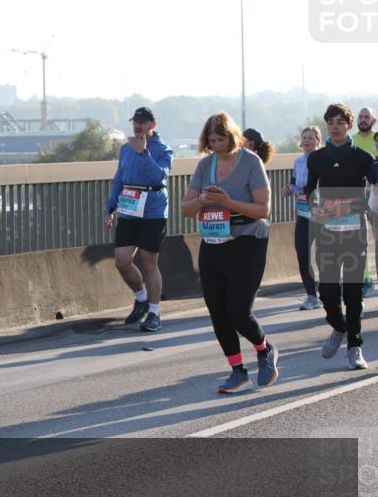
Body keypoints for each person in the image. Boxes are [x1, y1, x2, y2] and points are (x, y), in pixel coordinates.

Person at [181, 112, 276, 393]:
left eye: (221, 139)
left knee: (238, 310)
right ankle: (237, 370)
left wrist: (229, 202)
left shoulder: (251, 162)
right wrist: (201, 199)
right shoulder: (204, 165)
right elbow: (185, 209)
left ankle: (264, 348)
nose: (216, 144)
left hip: (247, 241)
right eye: (211, 140)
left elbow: (263, 209)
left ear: (232, 137)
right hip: (212, 243)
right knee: (217, 312)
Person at [305, 103, 378, 370]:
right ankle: (339, 327)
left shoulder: (362, 158)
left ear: (349, 126)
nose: (335, 127)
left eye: (340, 122)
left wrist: (350, 207)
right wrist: (317, 210)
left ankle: (355, 346)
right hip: (327, 235)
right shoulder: (317, 158)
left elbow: (374, 188)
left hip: (355, 234)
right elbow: (310, 192)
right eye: (330, 122)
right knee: (327, 293)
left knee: (353, 295)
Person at [104, 106, 175, 332]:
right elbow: (119, 179)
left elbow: (159, 176)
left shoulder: (164, 151)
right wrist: (110, 208)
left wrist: (144, 153)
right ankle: (141, 298)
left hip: (153, 208)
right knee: (122, 261)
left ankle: (154, 313)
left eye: (143, 122)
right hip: (129, 206)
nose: (138, 125)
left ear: (152, 125)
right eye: (135, 121)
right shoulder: (125, 149)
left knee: (148, 260)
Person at [283, 126, 324, 310]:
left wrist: (312, 193)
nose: (307, 140)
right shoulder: (298, 161)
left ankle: (328, 292)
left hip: (321, 215)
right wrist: (288, 190)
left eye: (311, 138)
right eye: (305, 137)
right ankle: (311, 296)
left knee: (322, 255)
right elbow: (294, 183)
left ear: (318, 141)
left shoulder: (324, 160)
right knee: (302, 254)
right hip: (303, 214)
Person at [351, 106, 377, 296]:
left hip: (375, 198)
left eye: (367, 116)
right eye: (361, 116)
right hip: (358, 197)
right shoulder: (351, 141)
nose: (364, 119)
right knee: (360, 241)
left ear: (373, 120)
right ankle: (366, 279)